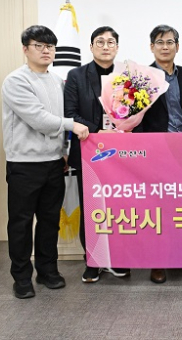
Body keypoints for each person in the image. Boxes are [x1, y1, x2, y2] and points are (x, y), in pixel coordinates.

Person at [2, 25, 89, 299]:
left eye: (50, 46)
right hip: (24, 164)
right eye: (38, 45)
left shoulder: (57, 82)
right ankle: (21, 278)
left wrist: (63, 150)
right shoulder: (16, 81)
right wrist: (73, 125)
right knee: (21, 223)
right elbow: (38, 118)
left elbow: (57, 124)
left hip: (54, 163)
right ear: (25, 49)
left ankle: (48, 271)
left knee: (50, 221)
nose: (45, 51)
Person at [64, 26, 130, 283]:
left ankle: (120, 258)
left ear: (117, 47)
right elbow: (70, 113)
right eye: (100, 42)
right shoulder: (76, 76)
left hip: (121, 156)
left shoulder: (127, 76)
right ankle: (93, 260)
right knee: (91, 209)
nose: (105, 46)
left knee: (120, 209)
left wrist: (126, 128)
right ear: (91, 47)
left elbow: (136, 112)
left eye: (111, 42)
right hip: (88, 152)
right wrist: (98, 131)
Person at [137, 24, 182, 284]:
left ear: (177, 47)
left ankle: (180, 257)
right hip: (156, 150)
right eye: (160, 42)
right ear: (152, 47)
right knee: (157, 209)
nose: (165, 47)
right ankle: (157, 262)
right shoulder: (141, 77)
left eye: (170, 42)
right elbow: (134, 119)